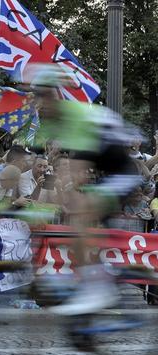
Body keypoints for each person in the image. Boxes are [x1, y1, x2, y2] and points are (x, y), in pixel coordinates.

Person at [22, 63, 141, 316]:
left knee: (81, 211)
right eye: (36, 98)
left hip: (123, 173)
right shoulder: (56, 121)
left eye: (43, 97)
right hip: (106, 172)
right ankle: (92, 281)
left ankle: (97, 287)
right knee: (77, 218)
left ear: (55, 95)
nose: (39, 105)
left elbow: (76, 174)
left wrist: (68, 197)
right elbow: (64, 172)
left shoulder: (75, 116)